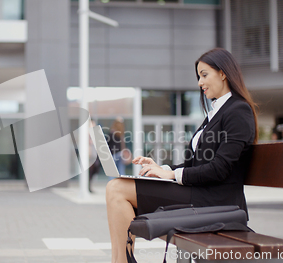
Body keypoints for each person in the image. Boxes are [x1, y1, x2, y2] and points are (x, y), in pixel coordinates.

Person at [105, 48, 259, 263]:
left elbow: (220, 168)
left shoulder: (238, 111)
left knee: (117, 189)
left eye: (204, 75)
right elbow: (193, 163)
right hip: (201, 194)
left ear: (223, 73)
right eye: (199, 77)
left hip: (217, 202)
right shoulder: (217, 113)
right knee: (117, 187)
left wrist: (173, 175)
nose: (199, 83)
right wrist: (162, 169)